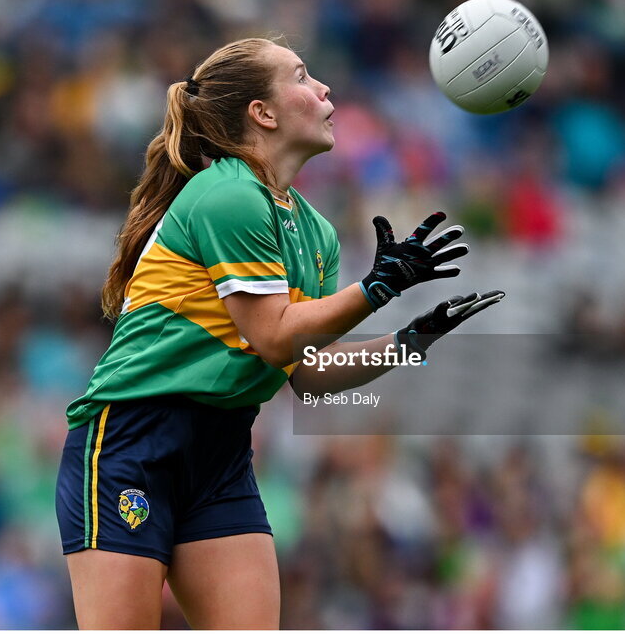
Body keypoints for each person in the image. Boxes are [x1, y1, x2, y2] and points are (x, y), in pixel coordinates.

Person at [54, 37, 505, 629]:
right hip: (132, 445)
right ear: (262, 114)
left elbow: (308, 371)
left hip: (221, 455)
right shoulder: (227, 194)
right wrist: (377, 289)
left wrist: (411, 341)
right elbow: (271, 336)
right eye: (302, 76)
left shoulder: (316, 232)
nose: (323, 88)